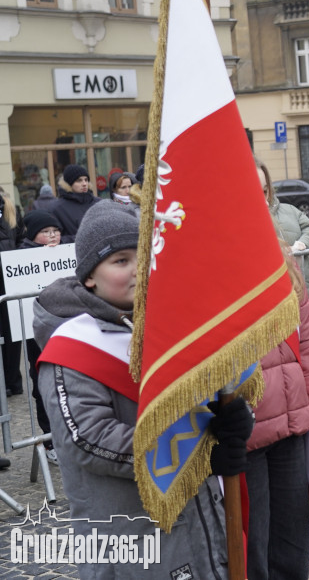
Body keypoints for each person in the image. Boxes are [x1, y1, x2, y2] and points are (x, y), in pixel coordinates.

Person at [34, 201, 251, 579]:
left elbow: (204, 403)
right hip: (130, 537)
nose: (138, 270)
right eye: (120, 261)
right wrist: (197, 452)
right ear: (89, 277)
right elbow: (90, 441)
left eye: (143, 256)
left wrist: (231, 419)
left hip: (197, 521)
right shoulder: (69, 349)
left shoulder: (165, 329)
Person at [245, 235, 309, 580]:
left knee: (291, 555)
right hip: (240, 436)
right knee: (250, 557)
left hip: (291, 430)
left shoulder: (281, 257)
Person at [19, 210, 71, 463]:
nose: (52, 236)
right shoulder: (20, 257)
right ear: (33, 235)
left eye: (55, 231)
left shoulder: (67, 253)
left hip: (66, 328)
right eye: (46, 232)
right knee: (43, 383)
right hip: (36, 332)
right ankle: (50, 440)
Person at [258, 160, 309, 299]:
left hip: (303, 288)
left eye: (264, 190)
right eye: (254, 190)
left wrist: (302, 244)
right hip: (274, 296)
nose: (262, 196)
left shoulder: (289, 210)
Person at [0, 186, 24, 397]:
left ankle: (13, 381)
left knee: (12, 334)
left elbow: (21, 239)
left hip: (9, 282)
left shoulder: (10, 210)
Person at [52, 164, 101, 238]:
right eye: (79, 180)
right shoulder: (57, 209)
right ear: (69, 184)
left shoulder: (100, 203)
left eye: (86, 180)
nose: (84, 184)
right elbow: (56, 238)